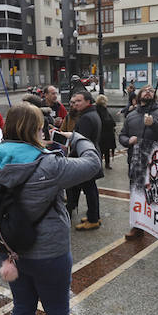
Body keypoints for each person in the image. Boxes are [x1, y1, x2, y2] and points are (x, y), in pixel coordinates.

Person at [0, 103, 101, 315]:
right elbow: (92, 163)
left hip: (13, 249)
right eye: (40, 126)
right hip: (49, 251)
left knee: (23, 307)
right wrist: (77, 138)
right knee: (57, 309)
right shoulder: (49, 164)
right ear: (33, 129)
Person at [118, 85, 158, 240]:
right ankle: (137, 226)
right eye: (145, 90)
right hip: (135, 162)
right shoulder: (131, 115)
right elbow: (122, 136)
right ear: (139, 95)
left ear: (154, 96)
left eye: (151, 90)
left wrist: (153, 124)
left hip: (156, 164)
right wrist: (128, 141)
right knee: (137, 195)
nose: (148, 91)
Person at [67, 91, 103, 231]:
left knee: (89, 189)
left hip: (86, 158)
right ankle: (94, 215)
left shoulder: (86, 118)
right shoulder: (90, 114)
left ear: (88, 101)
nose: (76, 103)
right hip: (92, 155)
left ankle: (93, 220)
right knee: (91, 189)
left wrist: (70, 157)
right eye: (74, 101)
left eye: (79, 101)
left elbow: (82, 141)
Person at [95, 94, 117, 169]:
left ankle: (100, 164)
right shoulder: (103, 110)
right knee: (106, 150)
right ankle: (106, 164)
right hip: (106, 134)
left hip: (100, 134)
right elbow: (109, 121)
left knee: (101, 150)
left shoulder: (96, 110)